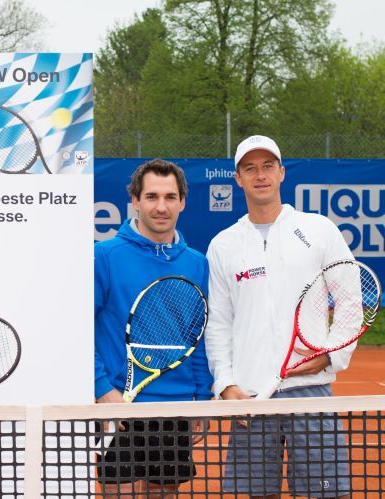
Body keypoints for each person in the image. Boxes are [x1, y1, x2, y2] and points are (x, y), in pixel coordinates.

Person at [204, 135, 353, 498]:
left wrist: (329, 355)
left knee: (325, 495)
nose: (260, 175)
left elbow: (350, 300)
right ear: (238, 179)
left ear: (282, 173)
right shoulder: (224, 244)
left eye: (268, 166)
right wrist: (225, 383)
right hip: (251, 397)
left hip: (311, 393)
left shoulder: (319, 230)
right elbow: (219, 321)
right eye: (250, 168)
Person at [94, 158, 213, 498]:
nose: (161, 207)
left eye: (170, 197)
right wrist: (102, 390)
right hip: (118, 411)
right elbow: (80, 332)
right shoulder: (105, 255)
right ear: (135, 200)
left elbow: (198, 335)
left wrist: (202, 399)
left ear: (182, 202)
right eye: (151, 197)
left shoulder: (196, 262)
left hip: (175, 411)